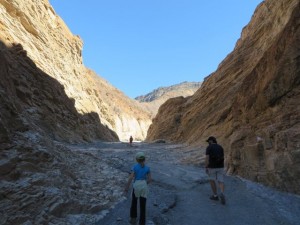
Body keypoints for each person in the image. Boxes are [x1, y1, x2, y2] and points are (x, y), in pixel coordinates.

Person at [125, 152, 152, 225]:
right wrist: (144, 183)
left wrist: (126, 188)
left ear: (137, 160)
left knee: (134, 202)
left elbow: (131, 178)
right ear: (144, 159)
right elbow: (150, 180)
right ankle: (142, 222)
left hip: (136, 185)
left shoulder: (135, 167)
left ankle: (133, 219)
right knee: (143, 205)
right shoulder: (147, 168)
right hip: (144, 185)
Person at [205, 136, 226, 205]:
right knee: (220, 180)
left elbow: (207, 158)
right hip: (221, 166)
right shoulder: (220, 147)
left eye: (208, 141)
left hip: (212, 167)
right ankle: (222, 193)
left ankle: (215, 195)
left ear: (211, 141)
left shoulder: (209, 147)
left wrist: (206, 167)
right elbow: (223, 157)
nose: (208, 143)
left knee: (212, 180)